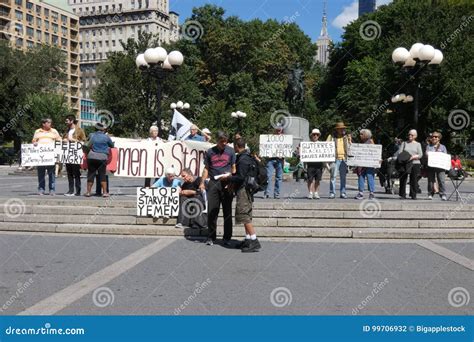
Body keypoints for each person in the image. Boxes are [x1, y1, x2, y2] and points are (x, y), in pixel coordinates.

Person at [199, 131, 236, 246]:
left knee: (227, 212)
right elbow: (206, 168)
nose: (224, 143)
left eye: (226, 141)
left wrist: (231, 178)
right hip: (213, 183)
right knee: (212, 211)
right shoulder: (210, 152)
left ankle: (227, 237)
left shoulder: (231, 151)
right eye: (222, 141)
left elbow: (234, 168)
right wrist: (202, 182)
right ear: (217, 141)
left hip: (226, 183)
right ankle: (211, 236)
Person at [230, 139, 261, 252]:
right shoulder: (249, 157)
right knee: (246, 214)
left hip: (243, 189)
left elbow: (240, 177)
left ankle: (254, 240)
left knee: (244, 214)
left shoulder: (242, 159)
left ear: (237, 146)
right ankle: (248, 239)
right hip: (249, 189)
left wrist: (228, 177)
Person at [32, 118, 61, 196]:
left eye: (50, 122)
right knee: (41, 174)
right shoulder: (37, 131)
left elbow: (59, 140)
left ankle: (52, 189)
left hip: (51, 156)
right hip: (40, 157)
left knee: (51, 174)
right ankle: (41, 189)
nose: (50, 124)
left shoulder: (54, 131)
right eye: (48, 122)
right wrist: (34, 143)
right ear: (43, 124)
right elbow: (34, 140)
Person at [84, 123, 114, 197]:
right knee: (102, 175)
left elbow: (86, 145)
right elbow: (112, 146)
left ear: (95, 129)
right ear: (102, 129)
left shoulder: (92, 135)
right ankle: (104, 192)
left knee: (91, 174)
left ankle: (88, 192)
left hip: (92, 157)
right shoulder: (106, 137)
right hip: (102, 158)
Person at [326, 122, 351, 199]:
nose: (342, 130)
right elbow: (326, 146)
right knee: (333, 177)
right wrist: (327, 162)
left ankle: (343, 193)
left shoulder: (347, 137)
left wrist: (350, 140)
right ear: (337, 129)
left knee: (343, 177)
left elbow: (350, 148)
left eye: (343, 128)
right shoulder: (331, 137)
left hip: (344, 159)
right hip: (334, 159)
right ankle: (332, 193)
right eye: (340, 128)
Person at [395, 129, 423, 200]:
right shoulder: (404, 143)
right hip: (405, 163)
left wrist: (412, 157)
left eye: (412, 135)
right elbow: (400, 153)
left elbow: (420, 154)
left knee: (414, 179)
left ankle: (413, 194)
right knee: (403, 179)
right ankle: (402, 194)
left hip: (415, 163)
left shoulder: (418, 144)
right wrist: (406, 158)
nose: (410, 136)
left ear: (415, 136)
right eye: (409, 134)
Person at [63, 115, 86, 196]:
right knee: (69, 173)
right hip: (68, 154)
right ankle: (70, 190)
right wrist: (64, 140)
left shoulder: (79, 130)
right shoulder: (67, 130)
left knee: (76, 173)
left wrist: (74, 140)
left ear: (72, 121)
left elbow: (84, 141)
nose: (66, 122)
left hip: (76, 155)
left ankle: (78, 191)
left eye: (67, 121)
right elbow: (63, 140)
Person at [354, 129, 376, 200]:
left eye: (361, 134)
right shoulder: (362, 142)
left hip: (369, 163)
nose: (360, 135)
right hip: (362, 164)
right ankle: (361, 193)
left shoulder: (370, 141)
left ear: (366, 135)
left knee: (370, 176)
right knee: (361, 177)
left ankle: (371, 193)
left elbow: (375, 151)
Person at [264, 126, 284, 199]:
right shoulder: (270, 138)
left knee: (279, 177)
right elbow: (265, 148)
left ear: (282, 130)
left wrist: (283, 155)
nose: (278, 131)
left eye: (280, 130)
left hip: (280, 160)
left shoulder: (285, 139)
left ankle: (277, 194)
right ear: (275, 130)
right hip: (270, 160)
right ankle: (266, 193)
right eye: (277, 130)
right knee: (268, 177)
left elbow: (287, 150)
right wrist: (266, 154)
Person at [426, 131, 447, 201]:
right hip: (431, 166)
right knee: (430, 181)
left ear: (439, 138)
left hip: (440, 166)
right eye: (432, 137)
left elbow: (445, 156)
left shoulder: (443, 147)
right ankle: (430, 194)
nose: (434, 138)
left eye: (436, 137)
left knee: (441, 180)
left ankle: (443, 194)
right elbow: (426, 155)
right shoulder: (428, 146)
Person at [306, 128, 324, 199]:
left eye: (317, 134)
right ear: (311, 135)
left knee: (318, 180)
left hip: (319, 165)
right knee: (310, 179)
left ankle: (316, 193)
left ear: (319, 136)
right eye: (314, 134)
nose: (315, 136)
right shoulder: (307, 144)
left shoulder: (322, 145)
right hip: (310, 164)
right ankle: (310, 192)